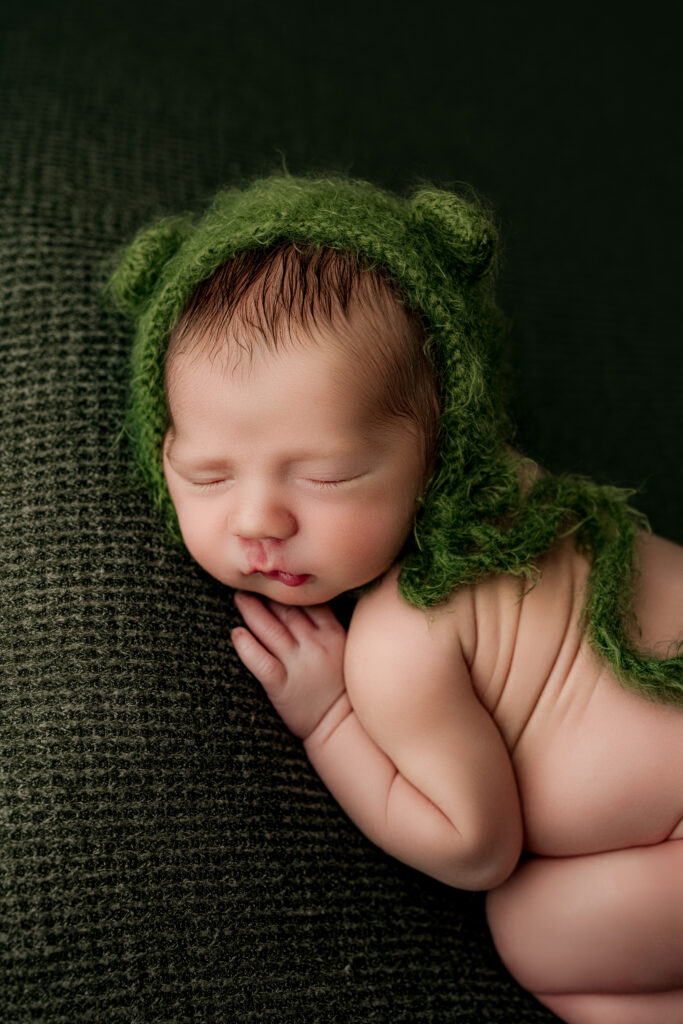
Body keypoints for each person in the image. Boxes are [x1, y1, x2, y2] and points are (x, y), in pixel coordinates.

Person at [107, 171, 683, 1024]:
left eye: (327, 476)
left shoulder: (402, 640)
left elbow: (475, 847)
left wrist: (332, 719)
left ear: (440, 447)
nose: (258, 519)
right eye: (207, 474)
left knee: (531, 930)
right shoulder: (528, 492)